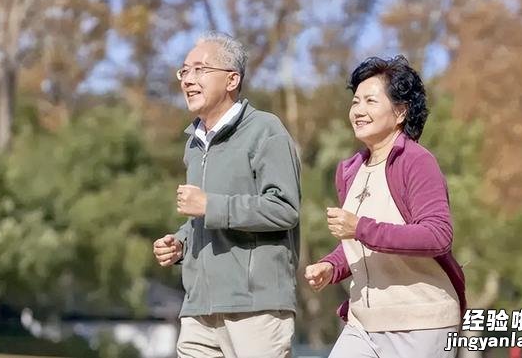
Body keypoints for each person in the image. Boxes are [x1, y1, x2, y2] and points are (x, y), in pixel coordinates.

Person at [304, 56, 465, 358]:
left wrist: (361, 228)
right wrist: (332, 266)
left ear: (401, 111)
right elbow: (358, 242)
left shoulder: (417, 161)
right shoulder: (351, 169)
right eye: (355, 102)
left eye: (370, 101)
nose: (358, 111)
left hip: (421, 324)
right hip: (362, 324)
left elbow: (438, 235)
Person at [153, 31, 301, 358]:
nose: (188, 79)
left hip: (255, 309)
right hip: (198, 309)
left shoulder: (266, 130)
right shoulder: (193, 143)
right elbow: (203, 219)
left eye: (200, 70)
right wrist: (180, 242)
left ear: (232, 80)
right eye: (184, 71)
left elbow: (284, 209)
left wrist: (210, 205)